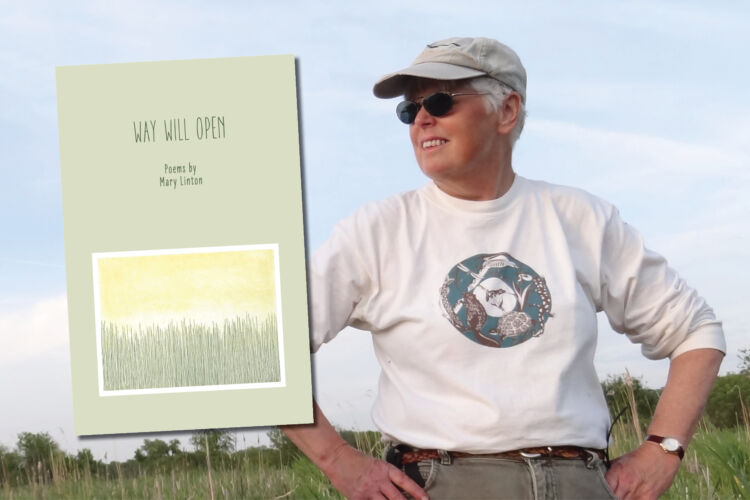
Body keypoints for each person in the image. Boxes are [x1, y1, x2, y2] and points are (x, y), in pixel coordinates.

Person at [282, 37, 725, 499]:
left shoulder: (581, 219)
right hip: (439, 484)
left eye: (439, 101)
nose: (422, 120)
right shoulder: (377, 230)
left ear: (507, 110)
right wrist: (338, 461)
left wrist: (662, 449)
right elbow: (268, 354)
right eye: (409, 110)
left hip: (580, 482)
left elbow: (696, 331)